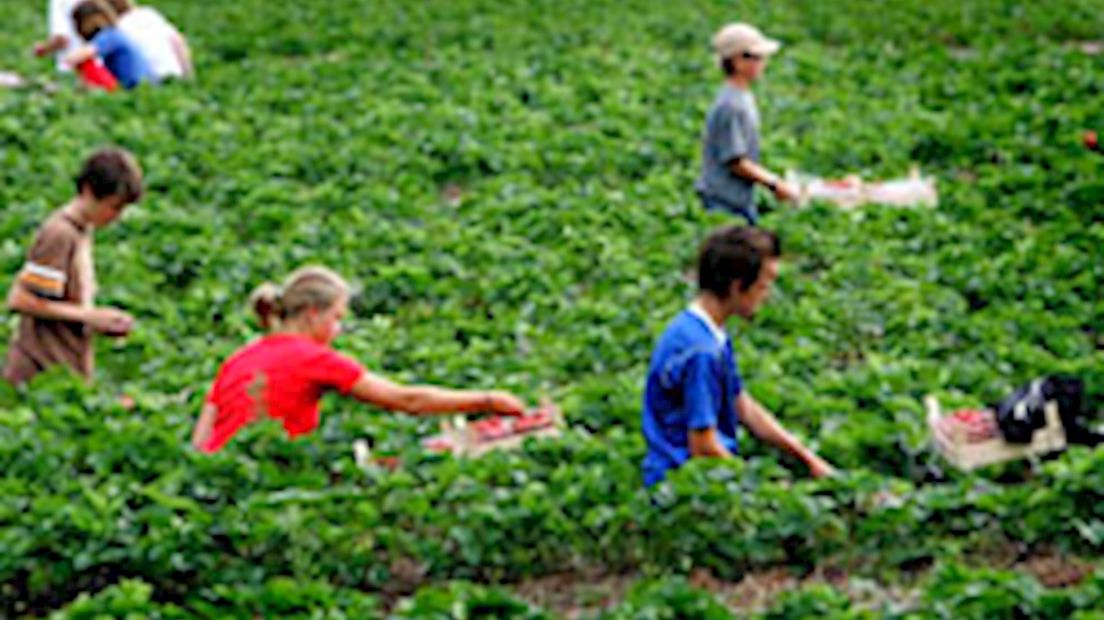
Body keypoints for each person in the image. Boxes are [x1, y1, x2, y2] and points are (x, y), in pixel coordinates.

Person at [191, 266, 536, 453]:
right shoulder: (314, 358)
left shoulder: (238, 359)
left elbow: (201, 436)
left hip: (223, 472)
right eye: (337, 318)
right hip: (271, 470)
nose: (339, 329)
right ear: (313, 314)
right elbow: (406, 400)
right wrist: (488, 400)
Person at [641, 226, 834, 487]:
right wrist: (762, 489)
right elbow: (704, 449)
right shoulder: (701, 353)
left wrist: (806, 457)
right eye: (763, 286)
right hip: (685, 486)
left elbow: (742, 405)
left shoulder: (702, 330)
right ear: (736, 286)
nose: (766, 297)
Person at [4, 148, 143, 386]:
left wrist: (98, 321)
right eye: (113, 207)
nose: (116, 217)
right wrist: (89, 316)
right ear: (89, 191)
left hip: (63, 367)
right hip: (39, 369)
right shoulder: (60, 234)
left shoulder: (82, 231)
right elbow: (20, 299)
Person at [695, 23, 800, 225]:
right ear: (737, 62)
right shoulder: (731, 105)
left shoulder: (742, 97)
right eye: (757, 57)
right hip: (724, 202)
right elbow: (735, 161)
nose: (764, 63)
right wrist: (775, 184)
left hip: (737, 199)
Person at [65, 0, 153, 90]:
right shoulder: (115, 33)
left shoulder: (109, 35)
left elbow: (78, 57)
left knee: (86, 64)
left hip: (132, 85)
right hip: (137, 83)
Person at [105, 0, 194, 81]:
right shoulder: (149, 13)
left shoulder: (115, 30)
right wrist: (189, 76)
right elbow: (178, 42)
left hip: (148, 83)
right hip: (176, 76)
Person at [32, 0, 83, 73]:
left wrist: (42, 49)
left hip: (72, 67)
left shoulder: (59, 2)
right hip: (99, 66)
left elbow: (61, 39)